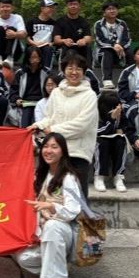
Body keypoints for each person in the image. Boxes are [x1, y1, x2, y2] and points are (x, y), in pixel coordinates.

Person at [16, 132, 82, 278]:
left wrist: (51, 206)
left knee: (53, 226)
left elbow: (73, 210)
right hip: (46, 234)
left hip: (66, 232)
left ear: (63, 151)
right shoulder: (42, 175)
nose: (49, 151)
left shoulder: (68, 177)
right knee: (23, 258)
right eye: (45, 146)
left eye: (54, 147)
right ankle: (59, 266)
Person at [29, 51, 99, 198]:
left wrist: (52, 130)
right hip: (57, 153)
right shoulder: (56, 93)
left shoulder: (90, 95)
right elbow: (49, 117)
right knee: (54, 197)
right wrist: (37, 125)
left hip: (77, 154)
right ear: (63, 70)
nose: (74, 72)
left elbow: (82, 125)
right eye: (70, 68)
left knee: (77, 198)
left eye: (78, 69)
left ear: (84, 72)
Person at [93, 1, 132, 89]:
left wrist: (120, 46)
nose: (112, 11)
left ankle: (129, 78)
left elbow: (127, 39)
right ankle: (107, 80)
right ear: (104, 13)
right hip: (102, 53)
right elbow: (100, 40)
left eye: (114, 9)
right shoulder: (98, 24)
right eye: (109, 9)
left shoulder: (122, 23)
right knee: (108, 51)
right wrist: (114, 45)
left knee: (130, 53)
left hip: (120, 52)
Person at [93, 94, 127, 193]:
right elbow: (98, 131)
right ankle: (99, 176)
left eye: (117, 105)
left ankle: (118, 176)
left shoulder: (120, 113)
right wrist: (111, 119)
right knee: (102, 143)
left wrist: (122, 129)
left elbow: (126, 126)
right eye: (112, 106)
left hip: (114, 139)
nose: (116, 109)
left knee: (120, 142)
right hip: (99, 139)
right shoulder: (95, 113)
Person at [8, 45, 49, 128]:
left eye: (36, 57)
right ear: (27, 58)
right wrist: (16, 99)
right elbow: (13, 89)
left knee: (36, 119)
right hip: (25, 102)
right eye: (32, 58)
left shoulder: (46, 72)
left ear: (40, 58)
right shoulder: (20, 73)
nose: (34, 60)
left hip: (41, 101)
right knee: (26, 119)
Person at [53, 0, 93, 67]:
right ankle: (63, 71)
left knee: (87, 48)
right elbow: (56, 40)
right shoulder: (60, 21)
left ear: (79, 5)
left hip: (79, 48)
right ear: (67, 6)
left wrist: (84, 40)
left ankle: (88, 70)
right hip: (64, 49)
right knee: (69, 51)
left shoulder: (84, 22)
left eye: (75, 4)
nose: (73, 6)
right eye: (70, 4)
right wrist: (64, 40)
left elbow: (89, 38)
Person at [0, 0, 26, 66]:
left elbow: (24, 34)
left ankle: (9, 58)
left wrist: (15, 34)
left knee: (11, 29)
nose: (5, 9)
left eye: (8, 7)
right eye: (2, 7)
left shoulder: (17, 17)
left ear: (12, 8)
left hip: (15, 51)